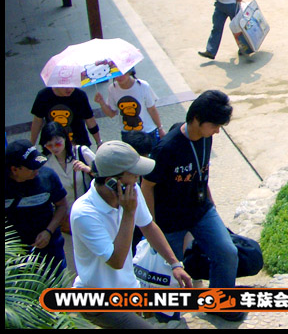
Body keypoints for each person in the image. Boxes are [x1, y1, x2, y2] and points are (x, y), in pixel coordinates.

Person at [141, 90, 241, 320]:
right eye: (214, 125)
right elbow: (147, 186)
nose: (217, 131)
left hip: (201, 211)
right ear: (197, 119)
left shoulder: (206, 137)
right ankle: (168, 318)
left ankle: (220, 304)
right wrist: (151, 226)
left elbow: (201, 173)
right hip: (170, 221)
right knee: (169, 272)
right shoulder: (166, 149)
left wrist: (212, 205)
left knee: (227, 252)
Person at [71, 141, 192, 329]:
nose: (138, 178)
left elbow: (148, 226)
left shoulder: (131, 190)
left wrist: (174, 263)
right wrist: (128, 212)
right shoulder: (84, 213)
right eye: (133, 173)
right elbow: (116, 261)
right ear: (112, 181)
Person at [6, 139, 68, 275]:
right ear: (15, 170)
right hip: (14, 257)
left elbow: (62, 206)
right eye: (32, 167)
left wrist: (48, 231)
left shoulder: (48, 177)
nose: (37, 170)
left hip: (50, 252)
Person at [39, 122, 94, 227]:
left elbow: (105, 175)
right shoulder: (45, 163)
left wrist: (88, 169)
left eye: (58, 143)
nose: (54, 148)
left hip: (90, 210)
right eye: (49, 145)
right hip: (65, 219)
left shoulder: (81, 152)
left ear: (65, 138)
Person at [94, 68, 165, 148]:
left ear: (130, 72)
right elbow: (111, 114)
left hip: (147, 131)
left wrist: (160, 128)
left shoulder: (143, 86)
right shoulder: (112, 88)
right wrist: (102, 103)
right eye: (116, 73)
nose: (119, 77)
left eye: (122, 73)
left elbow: (152, 109)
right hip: (127, 133)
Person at [31, 85, 101, 148]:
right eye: (65, 86)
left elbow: (89, 119)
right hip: (53, 145)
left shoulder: (80, 95)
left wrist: (98, 142)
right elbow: (37, 121)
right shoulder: (44, 96)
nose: (69, 89)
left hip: (78, 143)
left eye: (72, 85)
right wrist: (32, 144)